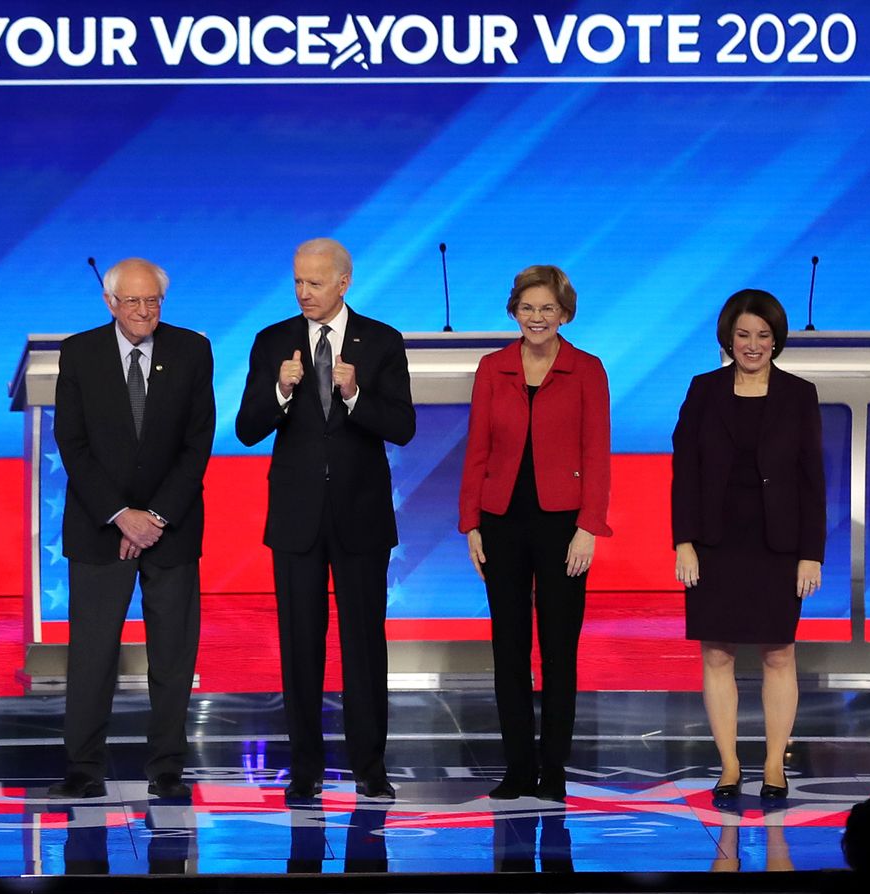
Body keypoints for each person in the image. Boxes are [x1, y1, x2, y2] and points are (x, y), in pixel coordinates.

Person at [234, 238, 415, 801]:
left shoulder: (382, 341)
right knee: (300, 645)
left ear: (344, 282)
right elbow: (247, 427)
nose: (303, 293)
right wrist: (281, 391)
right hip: (295, 519)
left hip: (360, 518)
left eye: (314, 283)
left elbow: (402, 426)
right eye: (297, 282)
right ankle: (305, 767)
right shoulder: (273, 342)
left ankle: (369, 766)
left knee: (364, 645)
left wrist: (356, 393)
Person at [48, 257, 215, 801]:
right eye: (134, 302)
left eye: (154, 302)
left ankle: (167, 763)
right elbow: (72, 443)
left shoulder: (192, 349)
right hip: (101, 527)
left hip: (173, 527)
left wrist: (156, 517)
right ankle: (84, 765)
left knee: (173, 653)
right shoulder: (80, 352)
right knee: (92, 653)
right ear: (110, 302)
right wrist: (122, 514)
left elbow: (197, 443)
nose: (145, 312)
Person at [459, 265, 611, 801]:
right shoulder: (492, 367)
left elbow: (597, 454)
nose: (537, 317)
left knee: (558, 648)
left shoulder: (586, 369)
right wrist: (470, 522)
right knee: (509, 648)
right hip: (500, 521)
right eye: (527, 308)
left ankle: (555, 768)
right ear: (513, 312)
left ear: (564, 313)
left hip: (563, 525)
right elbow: (476, 449)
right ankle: (518, 767)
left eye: (548, 308)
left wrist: (590, 526)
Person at [672, 289, 824, 804]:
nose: (753, 344)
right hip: (715, 543)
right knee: (717, 653)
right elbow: (685, 473)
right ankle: (731, 765)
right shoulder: (702, 390)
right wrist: (684, 542)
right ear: (728, 338)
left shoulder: (800, 395)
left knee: (779, 653)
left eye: (763, 335)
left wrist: (812, 552)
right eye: (743, 335)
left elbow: (812, 481)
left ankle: (775, 765)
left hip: (777, 543)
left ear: (776, 340)